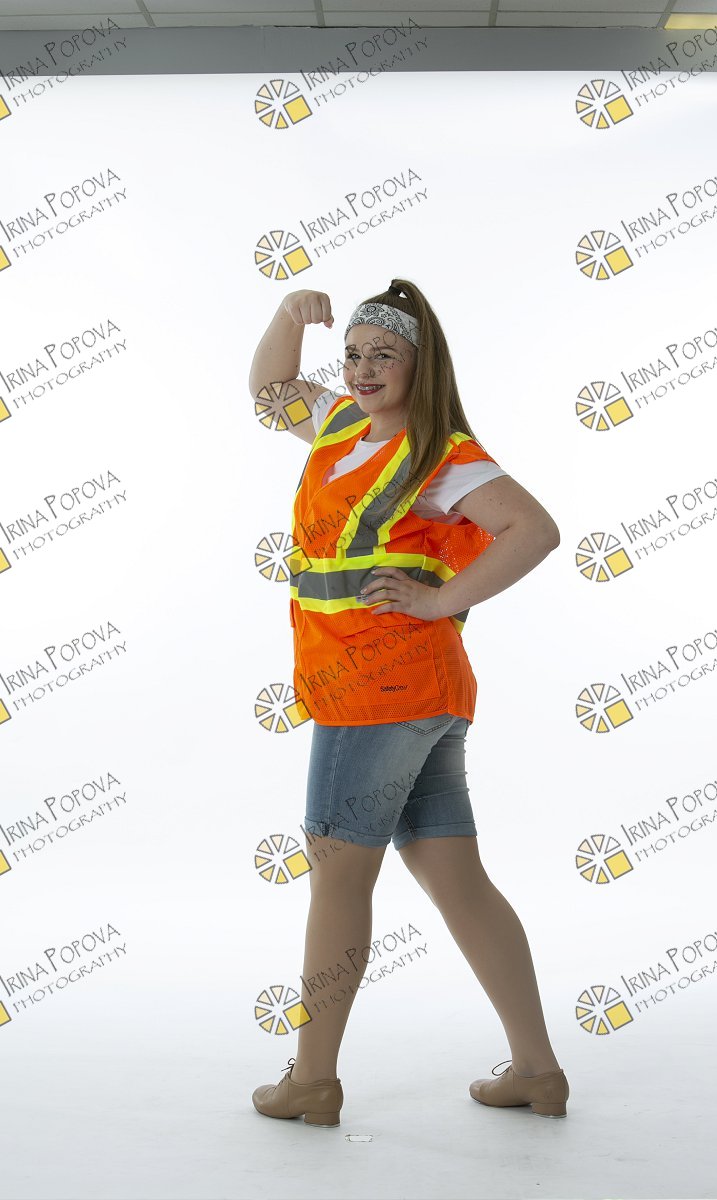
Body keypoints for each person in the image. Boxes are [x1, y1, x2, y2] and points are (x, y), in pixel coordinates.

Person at [247, 279, 568, 1127]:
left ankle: (312, 1079)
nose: (361, 369)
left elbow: (535, 530)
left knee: (338, 876)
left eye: (382, 355)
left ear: (422, 367)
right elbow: (269, 392)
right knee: (456, 877)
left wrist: (436, 600)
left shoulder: (443, 455)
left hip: (377, 695)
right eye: (352, 354)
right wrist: (287, 317)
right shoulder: (342, 426)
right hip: (422, 693)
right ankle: (537, 1071)